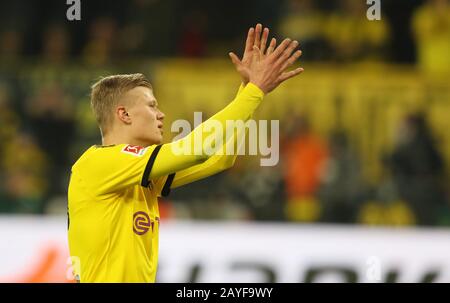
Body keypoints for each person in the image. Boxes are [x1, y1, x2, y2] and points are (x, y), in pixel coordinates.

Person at [68, 24, 304, 282]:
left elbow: (220, 158)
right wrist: (254, 93)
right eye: (151, 106)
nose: (161, 114)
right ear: (123, 114)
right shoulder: (98, 163)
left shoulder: (135, 173)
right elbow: (198, 150)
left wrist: (246, 89)